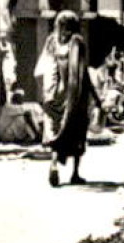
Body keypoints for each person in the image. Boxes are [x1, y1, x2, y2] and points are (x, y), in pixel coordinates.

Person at [43, 10, 101, 187]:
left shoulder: (52, 42)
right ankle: (75, 174)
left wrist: (48, 95)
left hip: (57, 94)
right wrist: (96, 97)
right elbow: (82, 73)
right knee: (77, 133)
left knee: (58, 132)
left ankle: (53, 165)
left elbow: (47, 68)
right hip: (75, 96)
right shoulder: (77, 42)